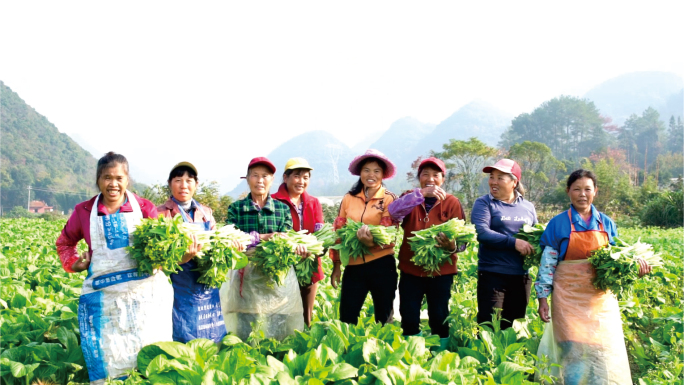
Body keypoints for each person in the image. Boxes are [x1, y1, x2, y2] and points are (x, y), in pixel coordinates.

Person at [56, 152, 173, 384]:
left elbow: (163, 243)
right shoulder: (84, 211)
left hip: (144, 296)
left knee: (148, 353)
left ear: (127, 179)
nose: (113, 184)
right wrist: (75, 263)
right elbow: (65, 242)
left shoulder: (144, 207)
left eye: (119, 178)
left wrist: (159, 257)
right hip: (104, 299)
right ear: (98, 180)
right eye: (107, 177)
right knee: (109, 354)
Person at [535, 169, 652, 384]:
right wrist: (542, 298)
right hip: (567, 299)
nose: (582, 194)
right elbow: (547, 265)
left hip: (599, 300)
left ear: (595, 192)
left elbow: (618, 262)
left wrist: (636, 268)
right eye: (577, 189)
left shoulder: (606, 223)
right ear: (568, 191)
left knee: (602, 351)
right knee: (572, 351)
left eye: (587, 189)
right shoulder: (558, 224)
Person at [220, 157, 307, 341]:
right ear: (247, 178)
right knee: (246, 330)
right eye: (255, 176)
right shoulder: (236, 209)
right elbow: (230, 237)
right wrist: (263, 237)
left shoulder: (282, 210)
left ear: (272, 179)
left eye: (265, 176)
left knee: (279, 328)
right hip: (245, 280)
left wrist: (297, 247)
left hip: (276, 280)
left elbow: (285, 240)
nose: (260, 180)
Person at [388, 157, 466, 351]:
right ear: (419, 178)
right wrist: (419, 195)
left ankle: (440, 354)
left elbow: (464, 241)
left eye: (435, 175)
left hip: (441, 271)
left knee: (439, 314)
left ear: (443, 179)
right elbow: (393, 213)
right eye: (425, 175)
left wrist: (451, 246)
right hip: (410, 269)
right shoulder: (409, 198)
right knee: (408, 313)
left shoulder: (452, 202)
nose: (430, 179)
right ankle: (413, 353)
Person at [157, 161, 236, 343]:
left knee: (211, 333)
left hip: (206, 285)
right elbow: (158, 262)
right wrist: (183, 257)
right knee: (183, 335)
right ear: (170, 184)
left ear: (196, 184)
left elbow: (217, 242)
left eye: (189, 180)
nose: (184, 185)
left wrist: (229, 247)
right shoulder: (161, 214)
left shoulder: (205, 212)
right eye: (178, 180)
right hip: (178, 287)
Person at [330, 149, 398, 325]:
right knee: (347, 316)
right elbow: (339, 232)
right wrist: (336, 265)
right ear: (360, 173)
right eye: (366, 170)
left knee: (384, 317)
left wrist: (371, 243)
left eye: (376, 171)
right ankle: (346, 350)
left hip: (382, 264)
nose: (371, 175)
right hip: (354, 266)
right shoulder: (349, 198)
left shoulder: (389, 199)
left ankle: (383, 350)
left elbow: (390, 234)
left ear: (383, 175)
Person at [471, 158, 537, 330]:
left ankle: (509, 357)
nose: (493, 181)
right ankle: (485, 357)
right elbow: (482, 233)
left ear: (514, 182)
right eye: (492, 177)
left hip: (521, 275)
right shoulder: (484, 203)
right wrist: (513, 242)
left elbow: (536, 235)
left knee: (513, 327)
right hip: (492, 274)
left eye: (500, 178)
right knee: (489, 325)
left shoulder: (528, 207)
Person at [271, 157, 325, 327]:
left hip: (309, 267)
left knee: (306, 317)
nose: (301, 181)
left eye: (306, 177)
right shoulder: (273, 201)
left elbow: (320, 232)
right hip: (283, 267)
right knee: (281, 317)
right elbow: (273, 234)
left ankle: (304, 348)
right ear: (285, 178)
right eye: (296, 176)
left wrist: (314, 248)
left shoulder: (313, 203)